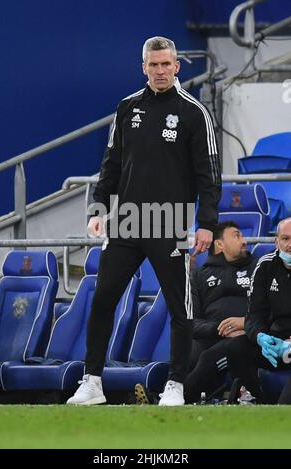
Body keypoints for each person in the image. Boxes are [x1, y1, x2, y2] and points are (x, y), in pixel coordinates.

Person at [67, 36, 221, 406]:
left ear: (177, 66)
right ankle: (92, 382)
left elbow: (209, 174)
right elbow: (111, 164)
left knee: (178, 306)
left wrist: (206, 223)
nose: (160, 71)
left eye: (166, 64)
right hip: (126, 221)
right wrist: (98, 208)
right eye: (154, 65)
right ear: (144, 68)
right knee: (102, 299)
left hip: (170, 222)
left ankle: (176, 385)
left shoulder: (194, 112)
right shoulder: (126, 108)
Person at [135, 221, 257, 404]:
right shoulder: (198, 276)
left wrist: (246, 325)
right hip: (212, 335)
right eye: (237, 235)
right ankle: (171, 393)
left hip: (244, 335)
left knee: (209, 358)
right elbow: (189, 321)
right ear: (219, 243)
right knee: (187, 351)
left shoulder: (258, 269)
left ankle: (173, 399)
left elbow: (268, 308)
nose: (245, 241)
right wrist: (219, 329)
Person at [225, 217, 291, 404]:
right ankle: (256, 401)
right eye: (285, 239)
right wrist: (261, 337)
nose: (289, 245)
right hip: (275, 344)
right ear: (276, 241)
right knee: (236, 348)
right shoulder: (265, 266)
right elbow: (254, 315)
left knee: (285, 405)